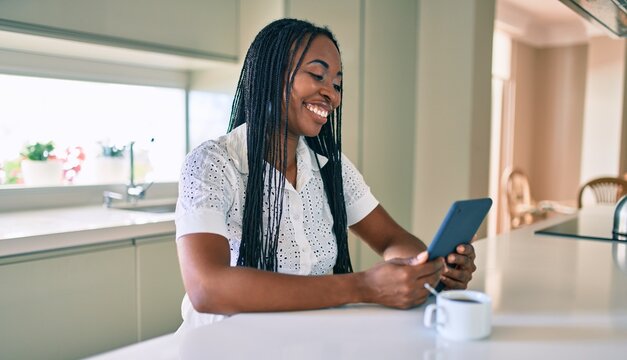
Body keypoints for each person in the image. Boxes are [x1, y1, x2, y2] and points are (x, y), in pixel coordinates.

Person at [175, 18, 477, 330]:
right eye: (317, 75)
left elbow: (391, 238)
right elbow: (207, 287)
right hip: (220, 345)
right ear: (271, 75)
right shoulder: (213, 162)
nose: (331, 94)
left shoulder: (329, 166)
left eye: (337, 84)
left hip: (302, 342)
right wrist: (363, 287)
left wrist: (429, 270)